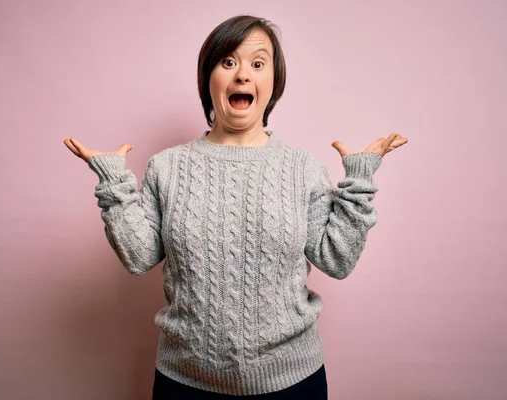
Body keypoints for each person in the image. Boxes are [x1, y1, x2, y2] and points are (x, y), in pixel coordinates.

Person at [64, 15, 407, 400]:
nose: (243, 74)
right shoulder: (168, 167)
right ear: (207, 78)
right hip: (184, 384)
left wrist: (359, 182)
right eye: (228, 62)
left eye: (258, 64)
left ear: (273, 84)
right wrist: (114, 184)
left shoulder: (301, 168)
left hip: (292, 383)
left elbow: (337, 260)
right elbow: (139, 256)